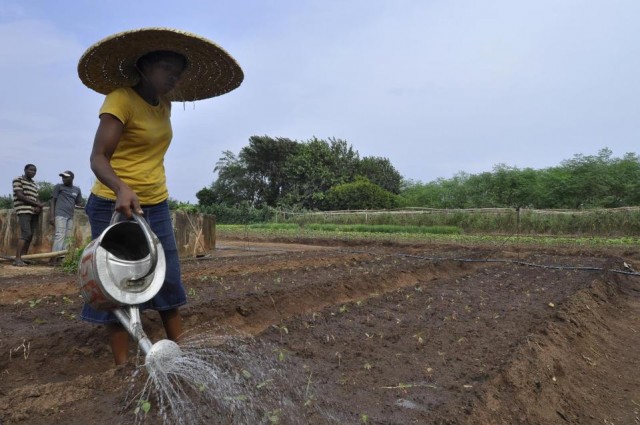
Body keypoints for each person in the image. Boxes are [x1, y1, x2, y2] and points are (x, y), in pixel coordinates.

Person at [77, 28, 243, 365]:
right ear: (144, 67)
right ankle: (122, 366)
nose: (173, 78)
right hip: (114, 203)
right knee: (117, 283)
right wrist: (121, 188)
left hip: (155, 203)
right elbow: (98, 157)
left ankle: (181, 355)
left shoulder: (165, 105)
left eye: (178, 73)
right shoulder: (120, 100)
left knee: (167, 276)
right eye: (167, 68)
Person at [12, 164, 45, 266]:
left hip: (33, 212)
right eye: (31, 170)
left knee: (30, 235)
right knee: (26, 233)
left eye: (35, 171)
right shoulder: (18, 179)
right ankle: (17, 258)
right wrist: (37, 204)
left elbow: (36, 198)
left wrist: (38, 207)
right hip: (23, 210)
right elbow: (20, 196)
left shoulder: (34, 184)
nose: (33, 172)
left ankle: (24, 257)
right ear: (25, 170)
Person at [49, 171, 83, 261]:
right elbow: (53, 201)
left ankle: (62, 258)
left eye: (66, 177)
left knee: (67, 237)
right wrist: (52, 216)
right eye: (62, 177)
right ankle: (54, 258)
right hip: (60, 214)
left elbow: (79, 202)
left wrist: (82, 205)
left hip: (70, 215)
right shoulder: (58, 187)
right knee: (60, 235)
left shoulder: (77, 189)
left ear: (72, 178)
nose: (63, 179)